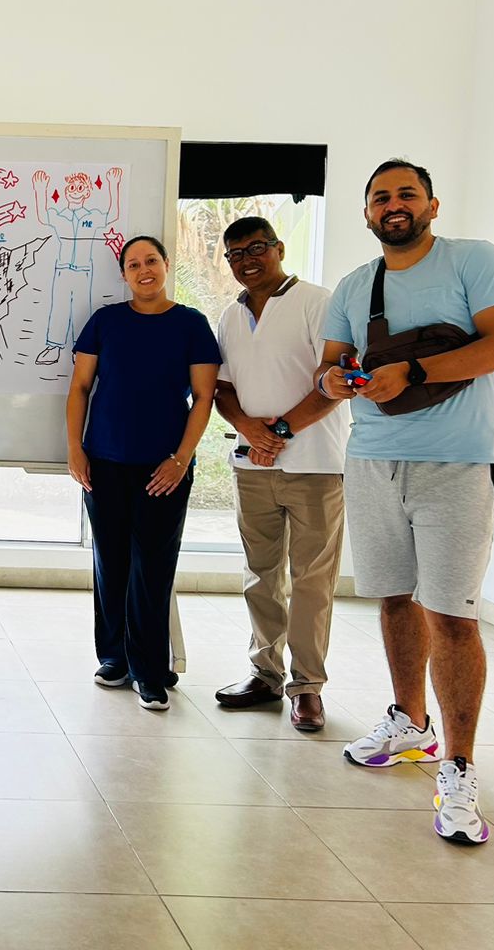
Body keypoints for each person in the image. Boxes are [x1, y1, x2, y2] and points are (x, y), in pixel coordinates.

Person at [320, 160, 494, 846]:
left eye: (407, 193)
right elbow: (330, 363)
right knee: (393, 599)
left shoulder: (475, 261)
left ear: (432, 205)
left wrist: (413, 370)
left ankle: (459, 769)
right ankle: (410, 723)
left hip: (457, 463)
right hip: (372, 459)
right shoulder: (355, 285)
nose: (394, 204)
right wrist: (336, 380)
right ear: (367, 214)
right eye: (381, 197)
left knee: (453, 616)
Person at [65, 235, 220, 711]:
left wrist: (181, 458)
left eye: (151, 260)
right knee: (110, 563)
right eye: (133, 264)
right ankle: (114, 658)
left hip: (164, 469)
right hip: (104, 463)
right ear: (124, 274)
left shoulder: (191, 324)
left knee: (152, 568)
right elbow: (80, 387)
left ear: (166, 265)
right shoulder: (105, 321)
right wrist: (75, 449)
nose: (143, 270)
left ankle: (150, 671)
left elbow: (204, 397)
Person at [210, 217, 348, 731]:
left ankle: (307, 687)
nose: (246, 260)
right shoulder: (230, 315)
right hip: (252, 466)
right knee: (261, 575)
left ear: (279, 248)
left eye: (256, 248)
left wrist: (281, 432)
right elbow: (223, 389)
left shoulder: (317, 301)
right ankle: (265, 674)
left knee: (312, 580)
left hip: (315, 465)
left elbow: (334, 383)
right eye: (235, 254)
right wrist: (251, 431)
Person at [32, 166, 123, 366]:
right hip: (63, 270)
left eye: (80, 187)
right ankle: (53, 347)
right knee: (59, 308)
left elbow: (113, 214)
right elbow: (42, 216)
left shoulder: (92, 217)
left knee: (81, 310)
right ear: (66, 192)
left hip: (83, 271)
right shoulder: (59, 216)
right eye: (71, 187)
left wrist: (113, 184)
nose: (75, 190)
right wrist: (40, 189)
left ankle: (80, 349)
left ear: (87, 193)